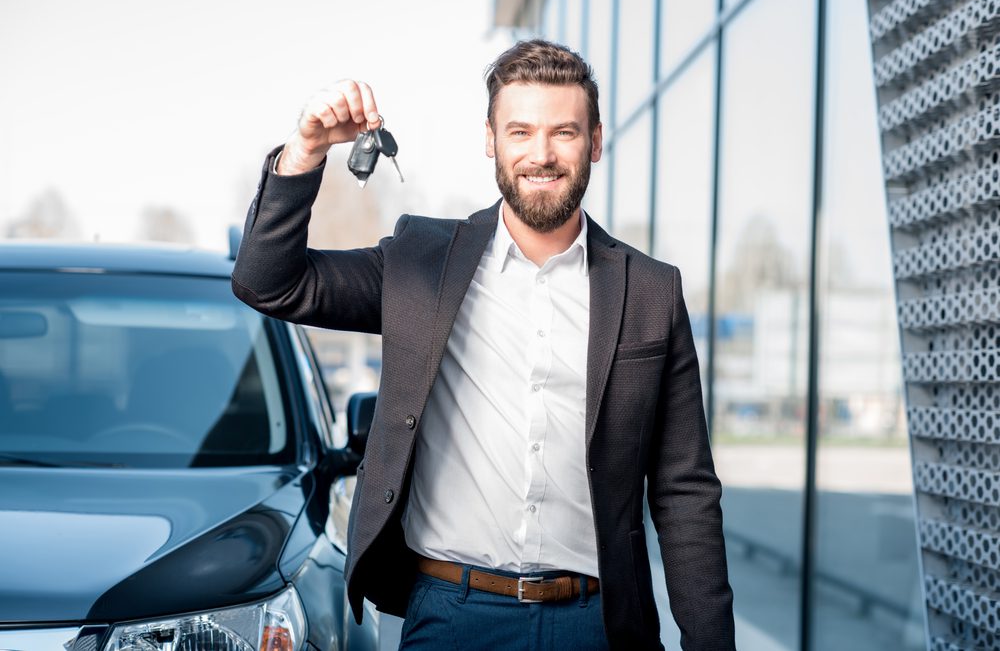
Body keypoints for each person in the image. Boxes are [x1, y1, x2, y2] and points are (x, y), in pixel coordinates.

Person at [232, 39, 735, 651]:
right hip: (452, 615)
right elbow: (268, 281)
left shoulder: (651, 292)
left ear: (595, 142)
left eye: (564, 133)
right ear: (491, 140)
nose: (541, 155)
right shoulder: (421, 263)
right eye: (520, 131)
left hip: (599, 624)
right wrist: (306, 149)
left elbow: (684, 489)